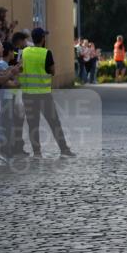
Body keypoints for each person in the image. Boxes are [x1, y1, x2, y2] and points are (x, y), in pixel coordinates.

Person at [20, 27, 75, 158]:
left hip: (27, 94)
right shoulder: (46, 53)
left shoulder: (25, 51)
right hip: (43, 95)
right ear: (43, 39)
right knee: (54, 122)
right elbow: (53, 71)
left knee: (33, 124)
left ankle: (37, 152)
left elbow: (20, 67)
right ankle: (64, 149)